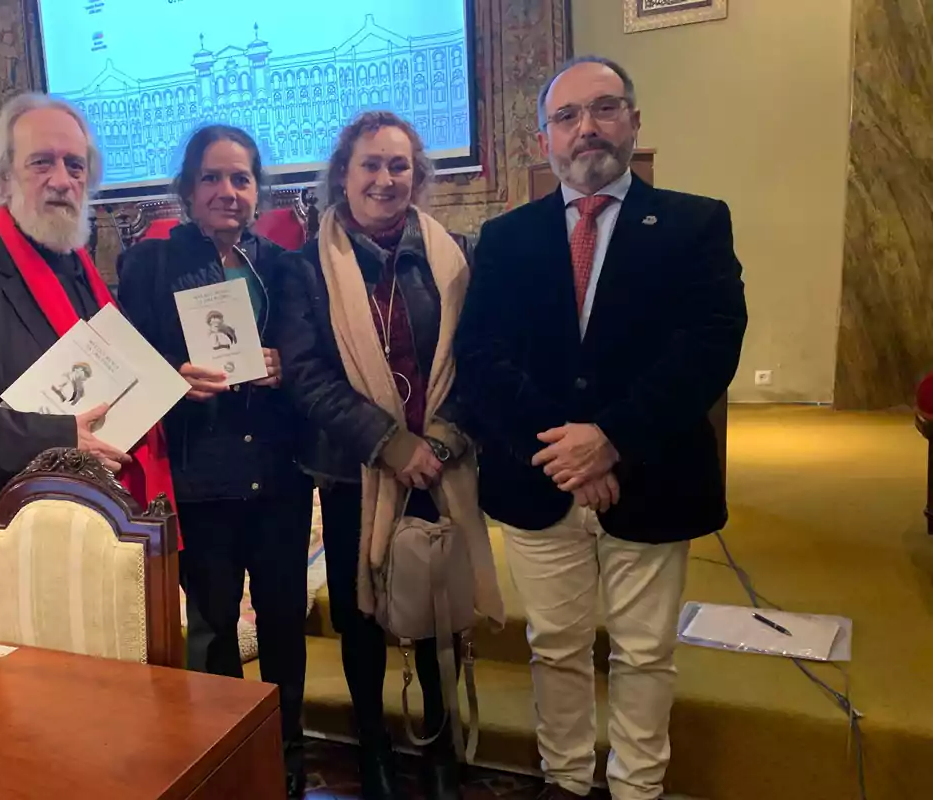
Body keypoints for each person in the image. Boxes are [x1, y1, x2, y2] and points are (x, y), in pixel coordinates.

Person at [455, 56, 748, 800]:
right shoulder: (505, 237)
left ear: (634, 121)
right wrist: (572, 452)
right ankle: (565, 780)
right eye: (567, 116)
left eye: (605, 108)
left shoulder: (694, 223)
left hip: (651, 475)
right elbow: (482, 357)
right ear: (544, 136)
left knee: (646, 653)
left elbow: (709, 349)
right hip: (538, 477)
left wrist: (611, 436)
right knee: (553, 647)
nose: (587, 128)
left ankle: (637, 788)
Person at [275, 111, 504, 800]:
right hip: (352, 471)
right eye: (370, 164)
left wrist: (437, 441)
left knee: (437, 607)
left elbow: (480, 361)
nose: (384, 178)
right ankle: (374, 748)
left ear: (418, 175)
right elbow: (306, 374)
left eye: (399, 165)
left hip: (440, 462)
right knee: (360, 613)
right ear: (342, 173)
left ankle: (437, 747)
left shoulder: (456, 254)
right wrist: (387, 442)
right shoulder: (304, 268)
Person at [0, 93, 173, 610]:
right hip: (11, 543)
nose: (62, 180)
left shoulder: (87, 275)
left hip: (105, 535)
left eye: (75, 165)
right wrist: (62, 438)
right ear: (3, 179)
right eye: (41, 162)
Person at [116, 125, 313, 798]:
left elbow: (307, 353)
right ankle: (226, 760)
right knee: (212, 627)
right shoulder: (151, 265)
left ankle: (287, 758)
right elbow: (129, 362)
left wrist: (286, 364)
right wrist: (176, 376)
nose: (227, 192)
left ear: (259, 190)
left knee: (286, 624)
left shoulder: (284, 266)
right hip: (203, 477)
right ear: (187, 189)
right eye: (211, 178)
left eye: (241, 179)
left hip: (282, 478)